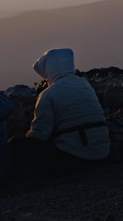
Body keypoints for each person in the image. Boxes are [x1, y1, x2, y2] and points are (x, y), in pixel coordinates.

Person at [8, 48, 109, 178]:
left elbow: (40, 134)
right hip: (102, 151)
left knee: (16, 144)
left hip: (76, 156)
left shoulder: (48, 94)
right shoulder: (85, 85)